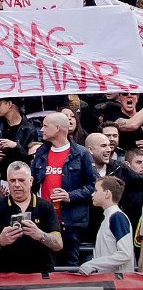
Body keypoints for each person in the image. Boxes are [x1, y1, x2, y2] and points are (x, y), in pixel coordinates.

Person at [31, 112, 98, 266]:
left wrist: (69, 196)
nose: (42, 129)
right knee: (44, 265)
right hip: (44, 220)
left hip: (70, 221)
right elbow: (33, 183)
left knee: (69, 266)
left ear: (58, 128)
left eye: (46, 126)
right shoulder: (41, 152)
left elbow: (93, 185)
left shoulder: (81, 154)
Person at [0, 161, 63, 273]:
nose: (17, 184)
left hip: (40, 275)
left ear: (31, 181)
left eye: (21, 180)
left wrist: (40, 235)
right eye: (12, 181)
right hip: (6, 275)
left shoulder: (46, 207)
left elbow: (58, 244)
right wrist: (0, 240)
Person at [79, 176, 135, 274]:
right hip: (111, 281)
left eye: (96, 190)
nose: (92, 194)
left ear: (107, 193)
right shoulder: (110, 217)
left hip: (118, 282)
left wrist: (93, 264)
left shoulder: (116, 217)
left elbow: (125, 254)